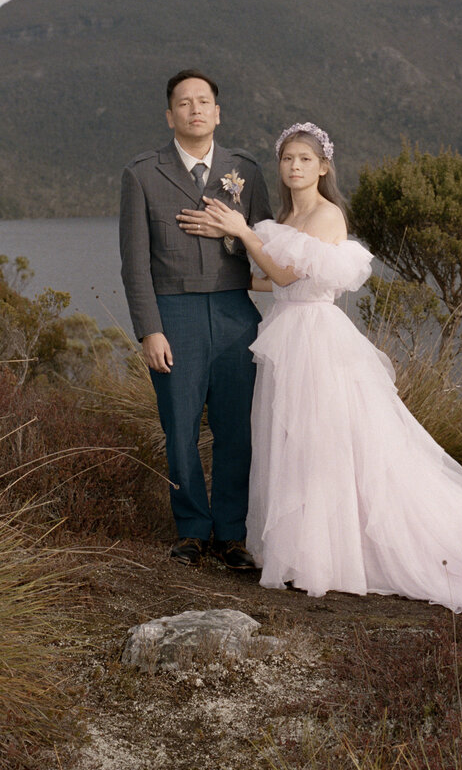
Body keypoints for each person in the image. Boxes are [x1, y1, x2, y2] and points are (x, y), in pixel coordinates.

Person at [197, 121, 462, 610]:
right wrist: (227, 249)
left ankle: (329, 556)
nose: (294, 167)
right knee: (290, 438)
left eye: (305, 159)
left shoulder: (326, 215)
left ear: (323, 167)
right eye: (287, 158)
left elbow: (286, 272)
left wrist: (242, 234)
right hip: (286, 334)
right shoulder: (282, 221)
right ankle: (298, 551)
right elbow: (271, 285)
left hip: (316, 341)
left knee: (321, 441)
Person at [119, 70, 272, 569]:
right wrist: (150, 328)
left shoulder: (245, 171)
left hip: (234, 315)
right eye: (184, 103)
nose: (195, 109)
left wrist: (236, 228)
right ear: (170, 115)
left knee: (237, 428)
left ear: (218, 112)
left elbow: (267, 248)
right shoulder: (142, 173)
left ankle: (231, 534)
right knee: (179, 426)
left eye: (203, 101)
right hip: (175, 314)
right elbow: (134, 262)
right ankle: (191, 530)